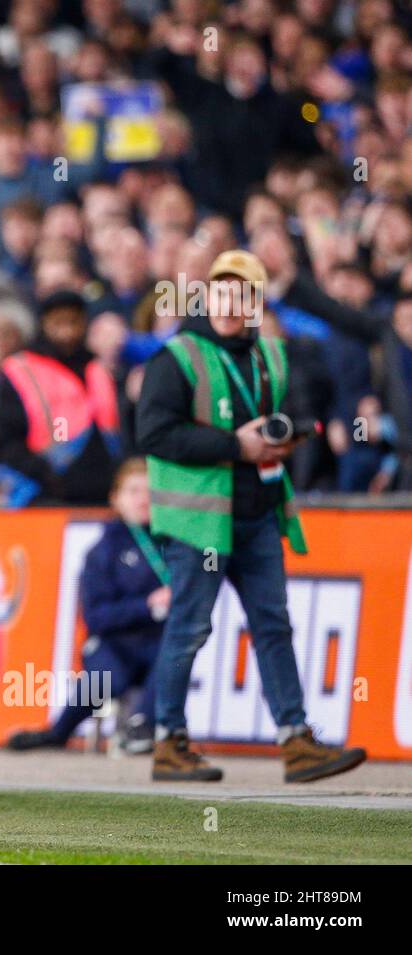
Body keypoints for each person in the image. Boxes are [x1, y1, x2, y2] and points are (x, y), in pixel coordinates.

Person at [136, 249, 367, 783]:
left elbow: (299, 412)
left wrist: (288, 433)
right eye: (223, 289)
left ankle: (295, 738)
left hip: (258, 513)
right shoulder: (178, 357)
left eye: (243, 292)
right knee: (191, 627)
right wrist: (236, 446)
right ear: (209, 294)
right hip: (200, 522)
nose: (231, 300)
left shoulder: (274, 355)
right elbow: (153, 431)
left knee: (273, 626)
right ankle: (169, 741)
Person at [7, 458, 165, 754]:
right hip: (115, 644)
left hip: (159, 642)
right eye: (134, 491)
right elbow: (97, 618)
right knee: (106, 678)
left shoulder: (171, 545)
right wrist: (146, 606)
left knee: (172, 657)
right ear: (115, 498)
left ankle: (144, 728)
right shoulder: (102, 551)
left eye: (149, 491)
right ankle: (59, 731)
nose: (143, 499)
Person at [0, 289, 121, 504]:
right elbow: (5, 440)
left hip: (103, 493)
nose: (67, 332)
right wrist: (45, 474)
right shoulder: (21, 369)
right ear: (43, 324)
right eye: (59, 323)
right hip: (45, 493)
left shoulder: (100, 368)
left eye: (74, 322)